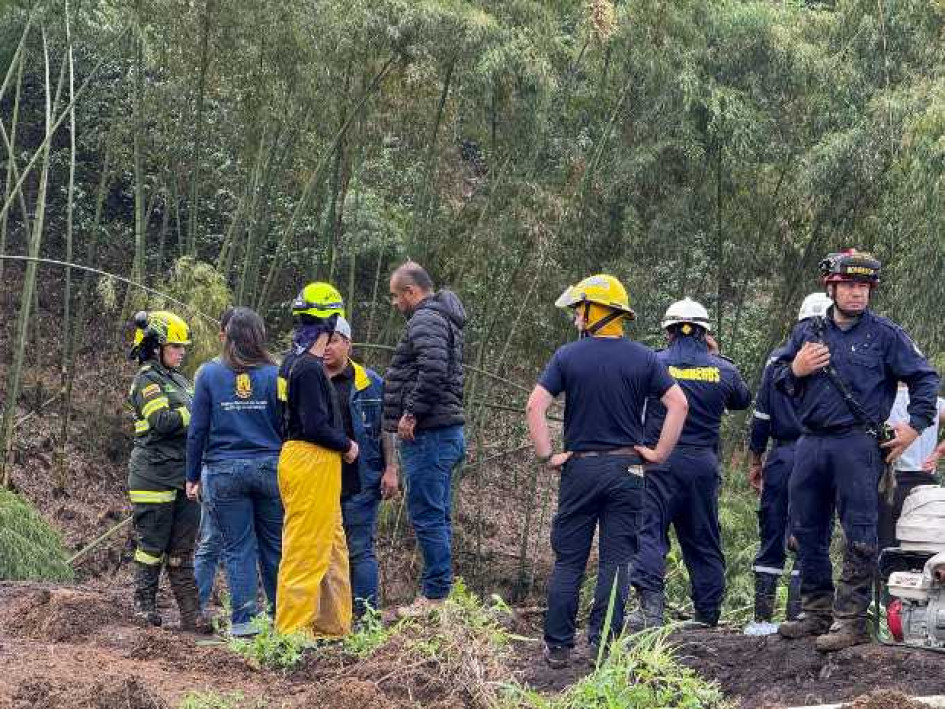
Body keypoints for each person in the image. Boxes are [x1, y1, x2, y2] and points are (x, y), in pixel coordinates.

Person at [774, 250, 939, 652]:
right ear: (831, 288)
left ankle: (850, 620)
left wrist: (913, 428)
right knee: (805, 528)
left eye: (864, 286)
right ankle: (816, 611)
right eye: (849, 285)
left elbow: (925, 379)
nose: (857, 293)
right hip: (810, 441)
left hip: (857, 443)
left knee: (860, 531)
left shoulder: (885, 335)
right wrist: (796, 369)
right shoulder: (807, 332)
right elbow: (777, 380)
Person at [526, 274, 688, 669]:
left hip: (580, 467)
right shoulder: (644, 358)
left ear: (595, 310)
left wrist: (548, 456)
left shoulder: (567, 356)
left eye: (579, 310)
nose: (576, 318)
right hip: (627, 468)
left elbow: (535, 406)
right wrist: (658, 454)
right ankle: (602, 646)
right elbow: (679, 404)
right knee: (616, 561)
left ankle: (559, 647)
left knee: (569, 560)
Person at [630, 298, 752, 631]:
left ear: (668, 331)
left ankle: (651, 611)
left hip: (658, 461)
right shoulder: (724, 369)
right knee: (703, 536)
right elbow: (742, 399)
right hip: (702, 465)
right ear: (705, 333)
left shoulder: (652, 363)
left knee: (650, 532)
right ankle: (707, 614)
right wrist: (714, 358)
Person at [185, 307, 284, 637]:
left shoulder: (209, 374)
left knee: (237, 549)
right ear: (259, 336)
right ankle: (282, 618)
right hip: (270, 467)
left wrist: (192, 475)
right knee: (274, 546)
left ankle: (244, 623)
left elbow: (197, 429)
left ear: (227, 335)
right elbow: (287, 424)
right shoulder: (276, 374)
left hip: (224, 470)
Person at [744, 292, 833, 635]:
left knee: (773, 533)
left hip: (782, 456)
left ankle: (763, 620)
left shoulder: (778, 360)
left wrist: (756, 459)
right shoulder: (836, 358)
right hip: (820, 455)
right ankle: (800, 618)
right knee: (811, 538)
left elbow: (762, 417)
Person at [275, 282, 359, 637]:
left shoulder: (291, 362)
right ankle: (291, 632)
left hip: (307, 460)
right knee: (306, 549)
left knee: (333, 547)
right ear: (331, 320)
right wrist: (347, 445)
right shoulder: (308, 368)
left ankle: (332, 627)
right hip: (311, 460)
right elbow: (313, 425)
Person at [383, 262, 466, 617]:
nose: (394, 303)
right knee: (438, 513)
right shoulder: (443, 318)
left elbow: (433, 370)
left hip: (430, 433)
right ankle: (440, 590)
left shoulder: (426, 319)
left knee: (428, 515)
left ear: (411, 291)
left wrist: (411, 413)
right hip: (443, 432)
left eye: (395, 296)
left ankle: (434, 596)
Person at [126, 310, 207, 631]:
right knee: (152, 546)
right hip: (153, 474)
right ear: (156, 346)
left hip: (183, 475)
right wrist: (196, 411)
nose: (181, 351)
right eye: (175, 346)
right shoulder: (147, 380)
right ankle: (143, 607)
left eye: (182, 346)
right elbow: (162, 421)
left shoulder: (180, 381)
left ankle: (192, 615)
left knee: (182, 549)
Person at [323, 316, 399, 619]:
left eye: (334, 341)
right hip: (320, 483)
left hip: (361, 482)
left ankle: (366, 617)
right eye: (323, 341)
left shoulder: (370, 382)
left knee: (360, 549)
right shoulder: (310, 379)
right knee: (324, 554)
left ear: (348, 344)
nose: (327, 347)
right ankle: (333, 617)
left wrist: (391, 469)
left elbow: (387, 428)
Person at [192, 308, 233, 615]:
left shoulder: (265, 372)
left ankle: (243, 610)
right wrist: (194, 474)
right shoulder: (209, 373)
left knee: (243, 545)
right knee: (210, 540)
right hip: (215, 465)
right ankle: (196, 606)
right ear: (222, 335)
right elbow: (198, 427)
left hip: (250, 465)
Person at [877, 383, 945, 550]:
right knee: (924, 546)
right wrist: (938, 453)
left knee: (885, 546)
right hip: (923, 481)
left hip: (887, 479)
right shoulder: (933, 402)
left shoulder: (877, 398)